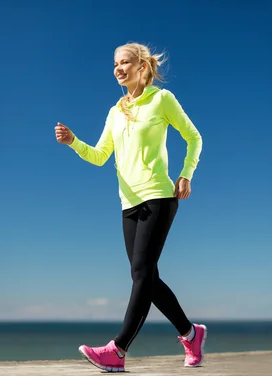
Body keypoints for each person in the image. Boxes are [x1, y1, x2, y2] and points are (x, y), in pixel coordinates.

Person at [54, 42, 206, 372]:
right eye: (114, 64)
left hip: (159, 196)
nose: (118, 68)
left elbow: (194, 137)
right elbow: (99, 157)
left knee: (140, 273)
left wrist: (186, 174)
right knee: (146, 277)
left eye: (125, 62)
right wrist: (73, 142)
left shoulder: (161, 100)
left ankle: (117, 350)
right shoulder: (114, 112)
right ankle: (191, 333)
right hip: (129, 203)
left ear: (142, 66)